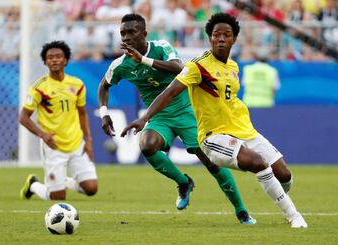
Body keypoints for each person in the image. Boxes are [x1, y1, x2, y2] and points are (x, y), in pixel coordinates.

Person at [121, 13, 308, 228]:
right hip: (214, 136)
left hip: (244, 130)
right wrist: (145, 117)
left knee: (284, 175)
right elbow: (169, 92)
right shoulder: (198, 66)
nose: (220, 39)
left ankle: (279, 198)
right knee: (259, 164)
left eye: (226, 35)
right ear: (210, 38)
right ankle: (294, 217)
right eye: (216, 35)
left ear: (233, 39)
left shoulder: (234, 67)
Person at [98, 13, 255, 224]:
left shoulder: (162, 47)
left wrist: (143, 60)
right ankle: (183, 182)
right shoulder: (120, 65)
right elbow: (103, 86)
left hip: (187, 111)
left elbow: (178, 68)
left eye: (131, 32)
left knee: (212, 163)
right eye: (123, 33)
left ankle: (241, 210)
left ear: (144, 33)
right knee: (146, 144)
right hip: (159, 116)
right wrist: (104, 114)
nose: (126, 37)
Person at [19, 41, 98, 200]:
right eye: (50, 57)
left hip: (76, 143)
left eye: (58, 56)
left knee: (91, 188)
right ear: (45, 62)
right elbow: (23, 117)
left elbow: (82, 113)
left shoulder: (77, 84)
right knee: (57, 197)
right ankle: (33, 185)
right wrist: (42, 135)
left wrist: (88, 140)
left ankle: (60, 181)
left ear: (65, 60)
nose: (54, 60)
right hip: (53, 146)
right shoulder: (39, 87)